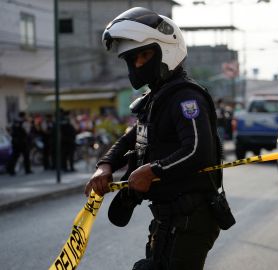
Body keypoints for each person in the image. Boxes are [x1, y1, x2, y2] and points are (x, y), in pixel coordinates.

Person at [84, 7, 225, 270]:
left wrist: (153, 170)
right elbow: (131, 137)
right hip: (167, 218)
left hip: (191, 217)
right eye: (131, 59)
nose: (137, 65)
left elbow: (198, 149)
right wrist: (105, 166)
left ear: (166, 50)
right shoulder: (156, 99)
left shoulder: (186, 97)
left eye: (144, 55)